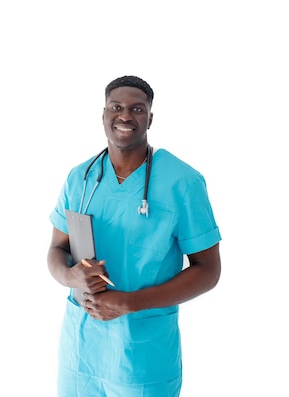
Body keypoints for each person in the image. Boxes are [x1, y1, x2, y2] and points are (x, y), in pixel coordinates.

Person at [46, 75, 221, 397]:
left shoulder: (182, 182)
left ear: (150, 118)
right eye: (116, 107)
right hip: (80, 351)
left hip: (142, 354)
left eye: (137, 109)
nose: (125, 116)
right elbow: (58, 248)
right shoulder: (81, 178)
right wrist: (69, 275)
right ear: (103, 115)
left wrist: (129, 302)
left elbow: (208, 271)